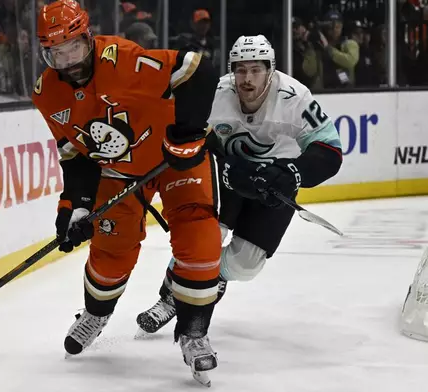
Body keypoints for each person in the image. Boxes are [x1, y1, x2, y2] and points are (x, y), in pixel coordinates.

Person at [32, 0, 222, 385]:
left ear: (88, 38)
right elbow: (74, 153)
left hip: (175, 161)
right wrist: (77, 206)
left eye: (74, 48)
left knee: (199, 237)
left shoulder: (122, 60)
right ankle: (96, 314)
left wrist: (185, 134)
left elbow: (197, 70)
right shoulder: (47, 93)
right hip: (119, 171)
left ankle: (194, 333)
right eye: (56, 53)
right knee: (109, 254)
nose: (68, 62)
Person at [136, 34, 343, 337]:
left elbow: (331, 150)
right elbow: (190, 136)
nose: (247, 79)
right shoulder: (215, 92)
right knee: (204, 238)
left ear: (270, 69)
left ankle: (212, 274)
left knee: (246, 266)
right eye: (240, 69)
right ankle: (170, 296)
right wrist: (219, 160)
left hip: (273, 186)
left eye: (256, 70)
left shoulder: (294, 97)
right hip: (226, 177)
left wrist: (293, 173)